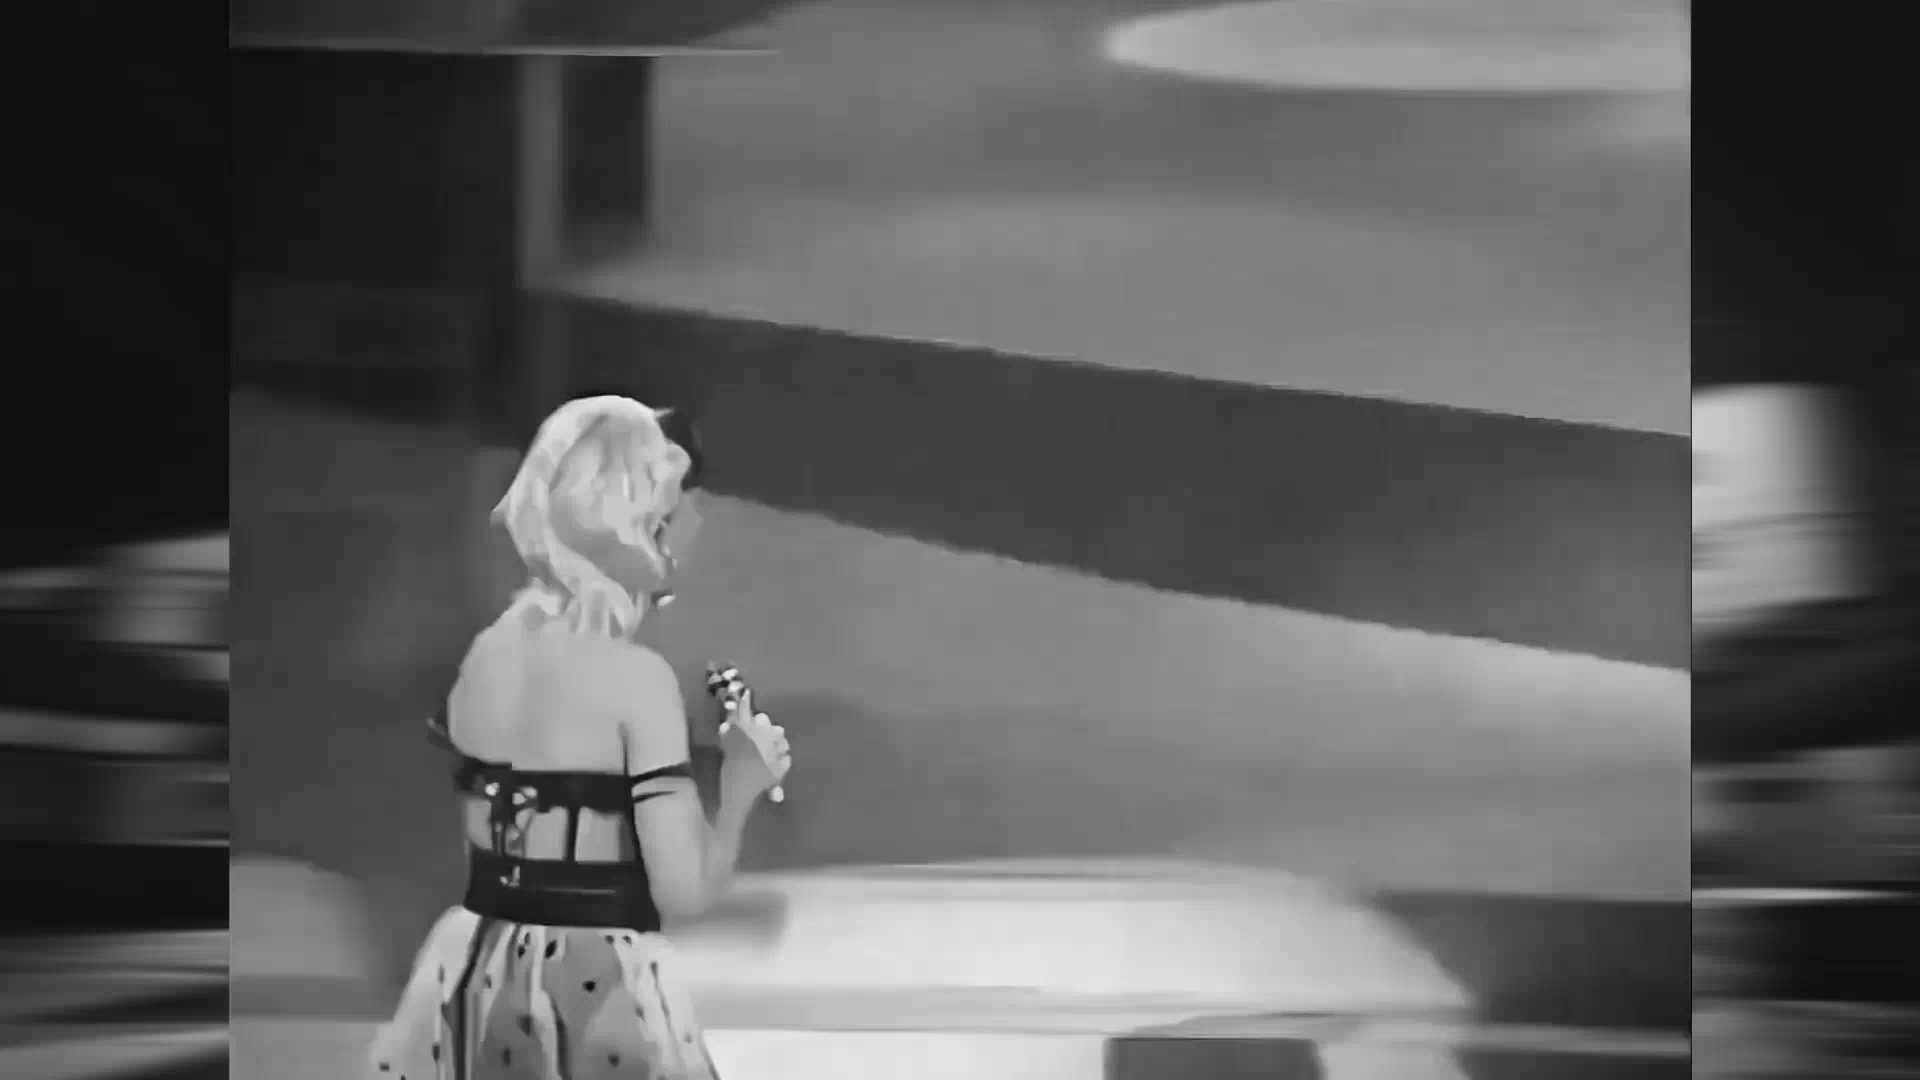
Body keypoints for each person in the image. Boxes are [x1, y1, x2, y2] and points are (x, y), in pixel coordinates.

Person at [366, 395, 791, 1079]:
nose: (698, 521)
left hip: (470, 976)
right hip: (598, 992)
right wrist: (741, 786)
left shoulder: (486, 659)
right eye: (679, 502)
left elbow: (489, 847)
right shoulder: (637, 682)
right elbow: (684, 892)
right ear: (642, 520)